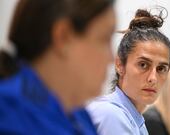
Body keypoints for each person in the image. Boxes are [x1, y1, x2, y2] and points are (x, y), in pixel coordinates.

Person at [0, 0, 116, 134]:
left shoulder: (78, 114)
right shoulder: (10, 117)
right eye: (104, 39)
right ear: (63, 37)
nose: (111, 58)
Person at [86, 8, 170, 135]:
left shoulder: (135, 121)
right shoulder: (112, 115)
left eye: (161, 69)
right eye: (143, 65)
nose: (153, 78)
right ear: (120, 65)